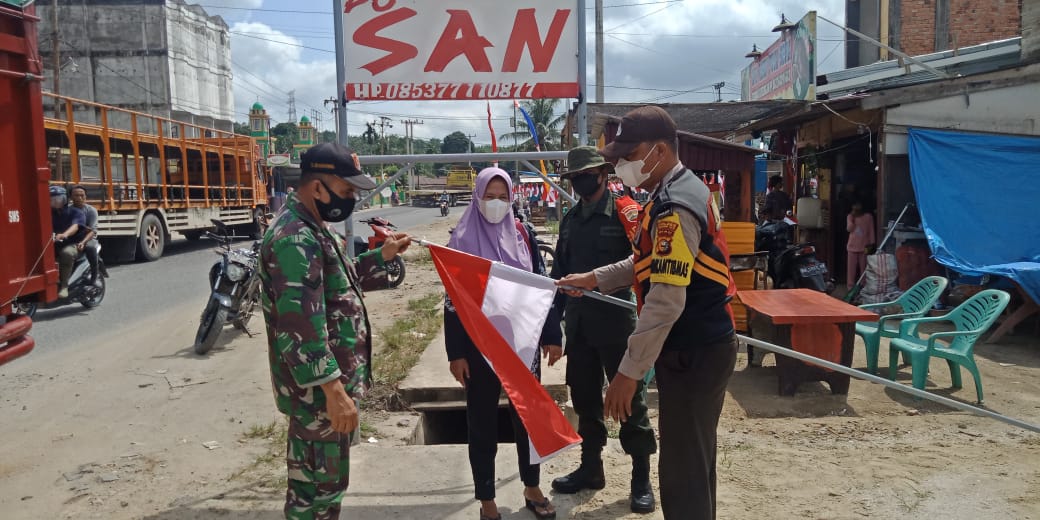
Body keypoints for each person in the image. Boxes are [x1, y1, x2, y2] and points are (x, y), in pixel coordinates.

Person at [558, 106, 738, 520]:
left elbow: (665, 300)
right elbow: (650, 263)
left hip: (694, 349)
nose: (621, 164)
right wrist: (594, 278)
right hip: (698, 346)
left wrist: (627, 374)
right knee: (692, 462)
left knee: (682, 471)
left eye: (628, 154)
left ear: (658, 151)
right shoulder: (673, 192)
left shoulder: (674, 207)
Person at [259, 142, 411, 520]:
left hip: (324, 394)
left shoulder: (314, 227)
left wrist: (382, 258)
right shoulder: (296, 237)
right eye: (346, 192)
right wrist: (333, 389)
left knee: (327, 487)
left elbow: (336, 283)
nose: (351, 200)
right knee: (315, 495)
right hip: (317, 398)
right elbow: (300, 327)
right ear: (316, 187)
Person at [444, 167, 561, 520]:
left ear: (512, 199)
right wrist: (456, 353)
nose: (496, 204)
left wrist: (552, 334)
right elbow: (452, 299)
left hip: (521, 344)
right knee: (481, 422)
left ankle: (532, 485)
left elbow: (542, 286)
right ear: (477, 197)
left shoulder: (523, 234)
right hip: (478, 346)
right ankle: (486, 500)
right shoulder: (461, 239)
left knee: (527, 418)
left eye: (502, 197)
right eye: (489, 197)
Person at [549, 147, 657, 513]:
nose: (580, 180)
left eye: (586, 174)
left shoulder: (626, 212)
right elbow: (559, 274)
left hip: (616, 325)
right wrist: (552, 323)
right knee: (585, 401)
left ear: (602, 174)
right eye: (575, 176)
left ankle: (641, 477)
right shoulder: (571, 219)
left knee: (629, 402)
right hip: (579, 326)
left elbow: (643, 261)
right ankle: (591, 467)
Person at [49, 185, 86, 299]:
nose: (56, 202)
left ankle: (64, 285)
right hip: (54, 244)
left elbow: (75, 226)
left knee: (67, 253)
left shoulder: (75, 212)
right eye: (52, 199)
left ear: (65, 199)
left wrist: (65, 234)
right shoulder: (48, 214)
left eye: (58, 199)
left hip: (74, 244)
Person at [70, 186, 100, 283]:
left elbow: (92, 230)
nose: (79, 198)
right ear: (71, 197)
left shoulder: (91, 210)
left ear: (86, 197)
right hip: (71, 238)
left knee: (91, 248)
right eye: (76, 195)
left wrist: (83, 242)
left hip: (87, 239)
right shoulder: (67, 210)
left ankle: (94, 275)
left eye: (82, 195)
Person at [846, 201, 876, 288]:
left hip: (864, 247)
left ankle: (863, 286)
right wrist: (852, 219)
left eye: (858, 205)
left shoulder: (868, 217)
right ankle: (850, 287)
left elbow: (871, 231)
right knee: (851, 270)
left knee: (864, 269)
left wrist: (872, 243)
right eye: (855, 206)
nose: (856, 207)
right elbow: (849, 229)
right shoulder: (850, 216)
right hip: (852, 247)